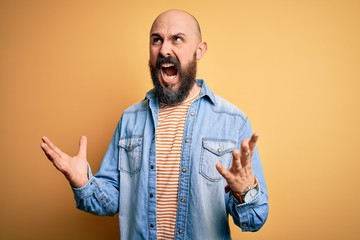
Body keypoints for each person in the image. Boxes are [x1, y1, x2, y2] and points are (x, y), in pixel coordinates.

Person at [40, 9, 268, 240]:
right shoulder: (130, 119)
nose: (164, 49)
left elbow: (254, 219)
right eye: (156, 40)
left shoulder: (232, 122)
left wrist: (246, 191)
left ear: (199, 51)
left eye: (177, 39)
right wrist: (84, 183)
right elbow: (110, 201)